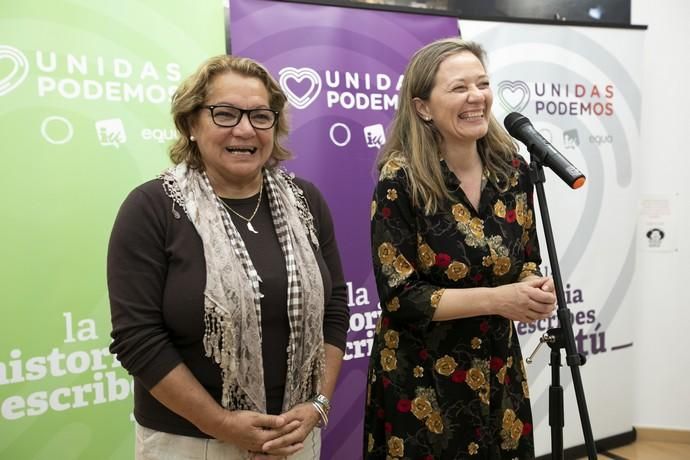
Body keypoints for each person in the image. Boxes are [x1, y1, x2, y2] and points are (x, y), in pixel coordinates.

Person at [107, 54, 349, 459]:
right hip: (191, 442)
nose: (244, 129)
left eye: (260, 116)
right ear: (191, 124)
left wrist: (318, 405)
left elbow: (335, 306)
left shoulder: (306, 201)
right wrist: (221, 424)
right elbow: (137, 338)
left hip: (296, 437)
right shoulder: (151, 208)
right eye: (225, 114)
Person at [363, 38, 556, 459]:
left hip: (498, 371)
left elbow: (526, 259)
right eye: (459, 87)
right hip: (422, 382)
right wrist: (500, 299)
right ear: (423, 108)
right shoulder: (401, 178)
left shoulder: (513, 170)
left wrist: (532, 289)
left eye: (482, 84)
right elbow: (401, 296)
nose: (476, 97)